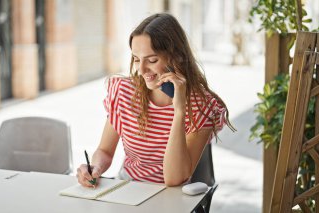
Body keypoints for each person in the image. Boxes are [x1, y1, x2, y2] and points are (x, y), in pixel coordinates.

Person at [77, 13, 234, 187]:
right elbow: (105, 151)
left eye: (152, 60)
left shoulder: (201, 105)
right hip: (127, 188)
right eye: (136, 59)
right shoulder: (124, 92)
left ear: (177, 57)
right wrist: (95, 168)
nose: (142, 70)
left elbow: (174, 179)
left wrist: (179, 110)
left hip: (171, 197)